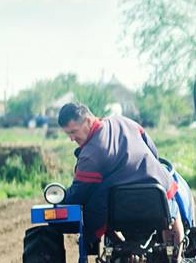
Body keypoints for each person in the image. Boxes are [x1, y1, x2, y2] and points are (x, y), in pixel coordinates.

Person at [58, 101, 183, 249]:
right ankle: (177, 256)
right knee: (172, 204)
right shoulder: (124, 122)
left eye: (73, 132)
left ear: (87, 121)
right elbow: (153, 151)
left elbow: (79, 193)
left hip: (120, 206)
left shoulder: (90, 155)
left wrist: (61, 198)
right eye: (68, 134)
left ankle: (115, 248)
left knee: (93, 211)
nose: (72, 138)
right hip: (155, 191)